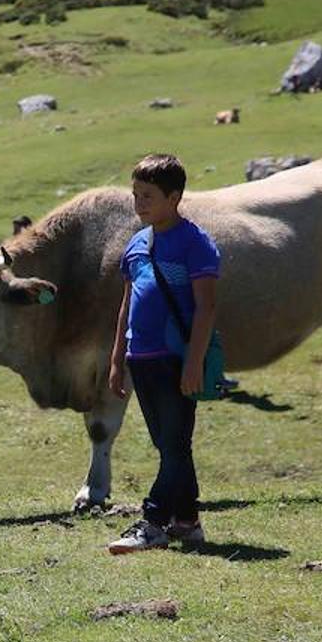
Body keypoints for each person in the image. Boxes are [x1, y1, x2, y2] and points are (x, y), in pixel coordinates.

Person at [106, 154, 220, 555]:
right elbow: (126, 306)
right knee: (170, 445)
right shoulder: (136, 244)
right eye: (135, 194)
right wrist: (117, 361)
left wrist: (193, 363)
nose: (139, 203)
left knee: (173, 444)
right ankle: (187, 522)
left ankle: (153, 521)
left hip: (175, 359)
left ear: (174, 197)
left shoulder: (195, 243)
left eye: (148, 196)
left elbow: (206, 308)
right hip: (141, 358)